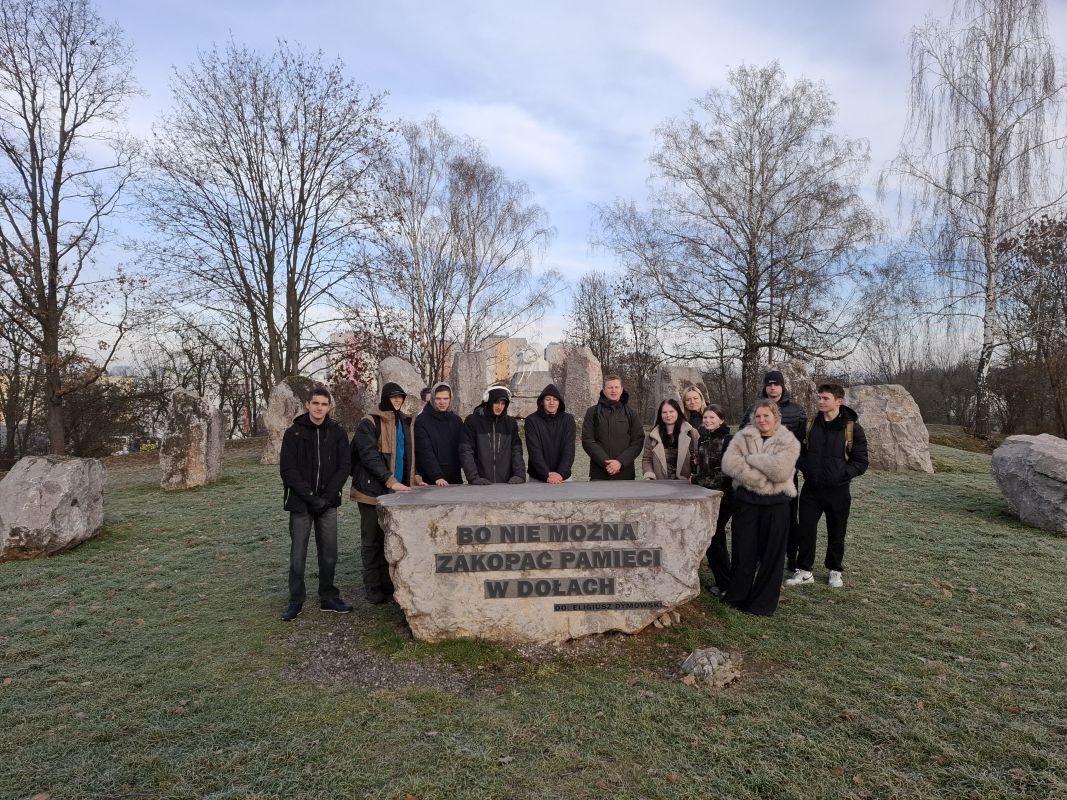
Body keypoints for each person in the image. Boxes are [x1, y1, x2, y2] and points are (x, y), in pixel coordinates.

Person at [721, 399, 800, 616]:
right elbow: (729, 464)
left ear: (776, 417)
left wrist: (751, 459)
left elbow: (781, 471)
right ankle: (737, 596)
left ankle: (762, 603)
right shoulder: (742, 437)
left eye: (766, 415)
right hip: (746, 503)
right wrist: (758, 477)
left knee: (771, 555)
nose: (762, 420)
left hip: (776, 504)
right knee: (743, 551)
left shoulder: (788, 440)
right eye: (758, 416)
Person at [785, 383, 869, 589]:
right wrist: (806, 466)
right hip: (811, 489)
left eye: (825, 398)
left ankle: (834, 570)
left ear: (838, 401)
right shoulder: (810, 424)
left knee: (837, 532)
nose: (820, 401)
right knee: (805, 529)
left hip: (838, 490)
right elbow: (796, 448)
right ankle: (805, 571)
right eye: (819, 397)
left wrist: (842, 475)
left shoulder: (852, 428)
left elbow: (861, 461)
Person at [278, 388, 352, 621]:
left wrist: (326, 498)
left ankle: (328, 596)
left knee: (329, 553)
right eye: (315, 403)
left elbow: (344, 466)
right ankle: (296, 600)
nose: (319, 408)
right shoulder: (294, 433)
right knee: (298, 554)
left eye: (324, 404)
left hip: (328, 503)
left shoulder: (337, 432)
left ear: (329, 407)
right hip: (301, 502)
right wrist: (311, 497)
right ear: (307, 405)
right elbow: (288, 470)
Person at [351, 382, 419, 605]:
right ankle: (372, 586)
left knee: (388, 538)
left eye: (400, 397)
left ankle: (386, 582)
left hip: (396, 492)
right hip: (371, 491)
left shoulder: (404, 422)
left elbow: (406, 456)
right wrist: (390, 480)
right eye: (393, 397)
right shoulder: (370, 422)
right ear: (384, 398)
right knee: (371, 540)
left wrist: (415, 478)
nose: (397, 400)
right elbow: (369, 456)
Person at [740, 370, 808, 570]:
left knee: (789, 515)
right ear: (765, 387)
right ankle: (761, 556)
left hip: (786, 472)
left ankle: (791, 556)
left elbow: (802, 440)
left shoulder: (796, 410)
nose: (772, 388)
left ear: (782, 386)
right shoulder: (755, 408)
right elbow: (743, 433)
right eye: (769, 384)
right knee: (762, 516)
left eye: (776, 384)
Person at [691, 404, 733, 596]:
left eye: (712, 418)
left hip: (724, 497)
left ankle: (726, 584)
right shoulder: (704, 439)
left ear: (721, 420)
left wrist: (696, 480)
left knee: (715, 538)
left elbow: (725, 472)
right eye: (705, 418)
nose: (707, 421)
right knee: (713, 538)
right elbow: (703, 467)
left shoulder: (728, 440)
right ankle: (724, 582)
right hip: (707, 495)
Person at [581, 375, 645, 481]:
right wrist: (607, 463)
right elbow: (587, 440)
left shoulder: (631, 413)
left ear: (621, 389)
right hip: (599, 474)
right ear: (604, 390)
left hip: (625, 474)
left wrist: (620, 462)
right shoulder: (592, 412)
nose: (613, 391)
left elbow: (638, 441)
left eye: (616, 387)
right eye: (610, 387)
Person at [460, 385, 526, 484]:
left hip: (506, 485)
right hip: (479, 485)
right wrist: (474, 478)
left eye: (503, 403)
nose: (500, 407)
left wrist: (519, 475)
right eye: (496, 402)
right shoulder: (472, 421)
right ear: (488, 400)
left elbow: (516, 451)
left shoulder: (511, 423)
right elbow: (466, 451)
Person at [524, 383, 576, 484]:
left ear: (559, 402)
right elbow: (534, 451)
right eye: (548, 399)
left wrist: (560, 473)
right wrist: (546, 474)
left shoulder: (568, 420)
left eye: (555, 399)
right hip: (538, 478)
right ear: (542, 402)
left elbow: (569, 449)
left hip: (562, 478)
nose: (552, 403)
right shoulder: (532, 420)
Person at [414, 382, 464, 486]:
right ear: (432, 399)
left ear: (450, 399)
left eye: (445, 398)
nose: (442, 402)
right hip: (431, 479)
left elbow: (463, 449)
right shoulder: (421, 421)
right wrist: (436, 476)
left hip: (454, 477)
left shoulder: (456, 421)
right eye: (438, 398)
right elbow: (425, 451)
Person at [641, 398, 700, 480]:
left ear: (678, 412)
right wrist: (649, 476)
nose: (668, 415)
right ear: (660, 415)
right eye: (664, 412)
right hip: (660, 483)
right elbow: (647, 459)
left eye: (671, 411)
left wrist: (696, 477)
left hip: (687, 483)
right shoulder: (652, 436)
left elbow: (700, 457)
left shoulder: (692, 433)